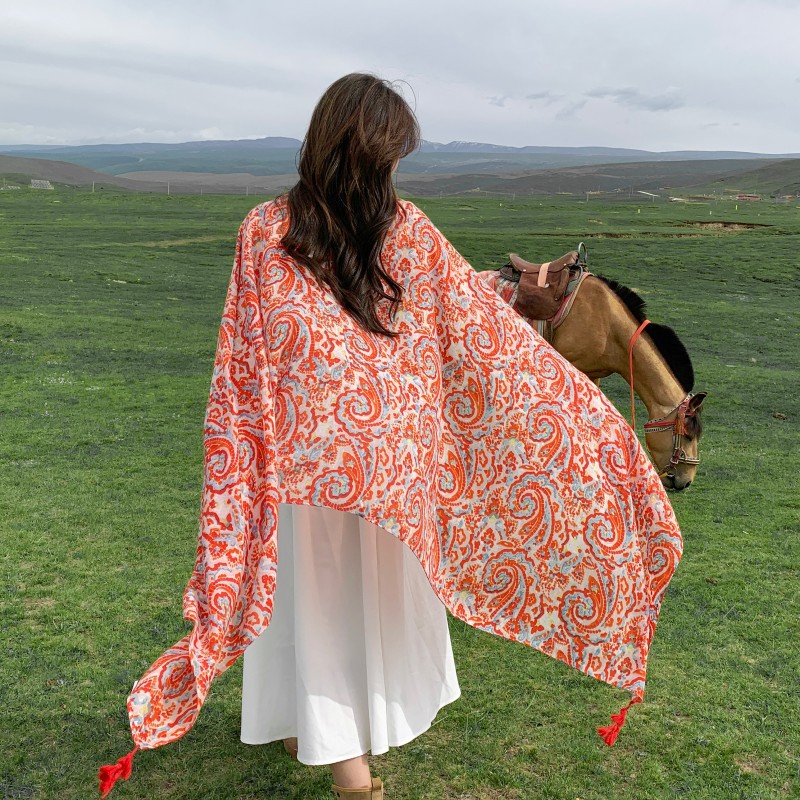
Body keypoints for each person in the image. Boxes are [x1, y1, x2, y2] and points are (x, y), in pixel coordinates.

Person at [99, 73, 682, 799]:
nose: (396, 169)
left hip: (316, 464)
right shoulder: (365, 230)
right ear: (367, 152)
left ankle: (322, 738)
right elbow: (475, 330)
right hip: (374, 468)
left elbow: (257, 351)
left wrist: (241, 447)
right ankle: (345, 766)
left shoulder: (293, 229)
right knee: (343, 608)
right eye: (392, 154)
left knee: (314, 605)